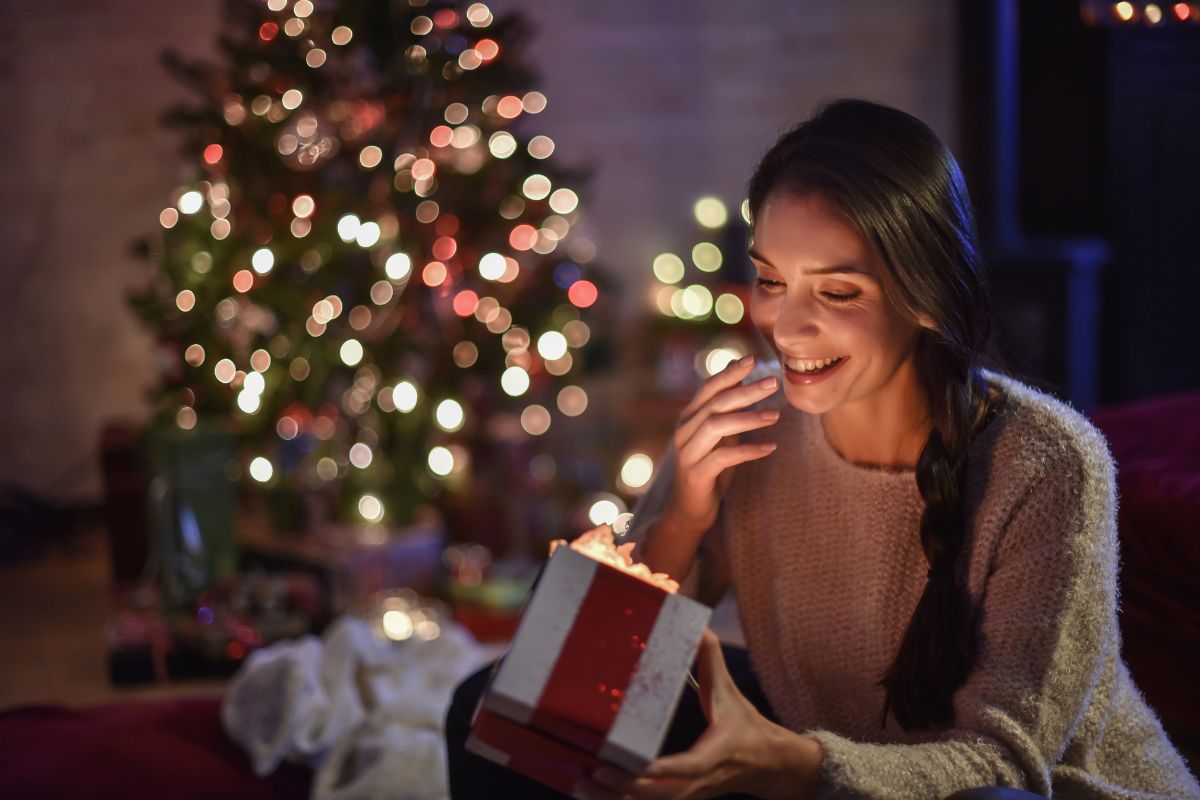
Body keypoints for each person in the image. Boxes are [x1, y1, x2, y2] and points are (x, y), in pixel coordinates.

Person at [446, 99, 1200, 799]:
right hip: (833, 762)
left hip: (1022, 791)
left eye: (837, 293)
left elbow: (1007, 764)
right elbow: (586, 677)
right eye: (772, 281)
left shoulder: (1049, 462)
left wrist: (795, 762)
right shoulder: (746, 421)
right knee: (501, 704)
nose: (788, 328)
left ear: (927, 294)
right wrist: (680, 519)